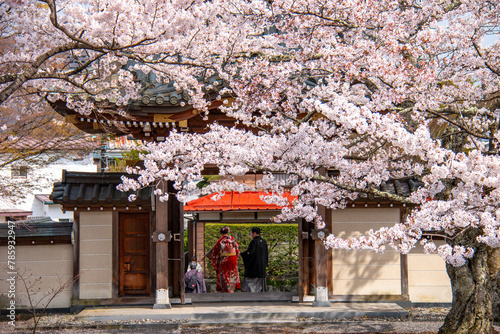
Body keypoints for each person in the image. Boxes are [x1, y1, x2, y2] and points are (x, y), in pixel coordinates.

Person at [210, 226, 241, 292]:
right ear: (228, 232)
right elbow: (237, 249)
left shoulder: (220, 241)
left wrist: (214, 259)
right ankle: (232, 288)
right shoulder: (233, 239)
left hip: (224, 260)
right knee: (232, 274)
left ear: (221, 233)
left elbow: (215, 252)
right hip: (233, 259)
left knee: (225, 274)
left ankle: (226, 289)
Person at [241, 227, 268, 292]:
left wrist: (242, 254)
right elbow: (266, 254)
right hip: (262, 267)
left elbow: (250, 253)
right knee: (260, 284)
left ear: (254, 233)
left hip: (254, 267)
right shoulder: (264, 242)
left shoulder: (253, 242)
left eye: (251, 233)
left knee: (251, 283)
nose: (251, 235)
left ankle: (252, 294)